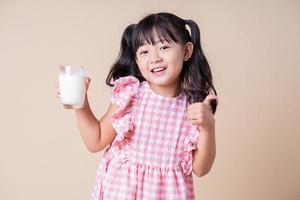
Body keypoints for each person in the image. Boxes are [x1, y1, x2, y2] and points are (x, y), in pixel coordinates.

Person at [56, 12, 218, 200]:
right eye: (144, 52)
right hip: (120, 192)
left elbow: (201, 168)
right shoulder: (131, 94)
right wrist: (80, 103)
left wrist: (208, 126)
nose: (154, 58)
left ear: (186, 51)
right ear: (136, 58)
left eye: (164, 47)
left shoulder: (194, 107)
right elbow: (96, 140)